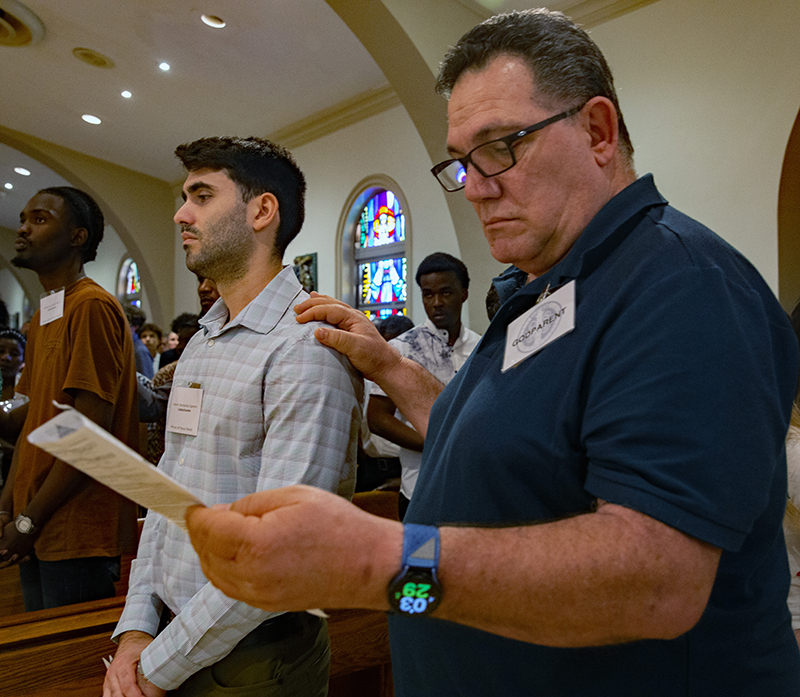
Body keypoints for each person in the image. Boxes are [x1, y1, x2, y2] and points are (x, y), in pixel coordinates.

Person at [184, 9, 800, 696]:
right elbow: (502, 447)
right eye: (460, 162)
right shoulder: (551, 284)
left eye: (501, 147)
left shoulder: (679, 283)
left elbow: (658, 581)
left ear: (597, 130)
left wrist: (375, 559)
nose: (475, 186)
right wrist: (390, 367)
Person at [104, 136, 362, 697]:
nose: (181, 214)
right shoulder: (203, 342)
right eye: (184, 196)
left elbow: (276, 554)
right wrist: (136, 631)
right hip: (175, 636)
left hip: (254, 658)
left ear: (261, 210)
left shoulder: (304, 348)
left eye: (201, 195)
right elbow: (167, 494)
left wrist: (155, 669)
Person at [0, 186, 138, 611]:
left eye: (40, 219)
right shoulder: (43, 316)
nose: (23, 229)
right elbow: (27, 424)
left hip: (77, 525)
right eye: (24, 218)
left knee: (69, 668)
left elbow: (88, 431)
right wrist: (8, 508)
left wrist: (28, 518)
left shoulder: (92, 306)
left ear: (78, 237)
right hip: (39, 521)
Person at [368, 253, 480, 518]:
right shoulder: (401, 348)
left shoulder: (481, 348)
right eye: (428, 295)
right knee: (420, 558)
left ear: (463, 293)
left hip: (470, 483)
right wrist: (436, 442)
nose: (437, 303)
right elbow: (377, 418)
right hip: (419, 485)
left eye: (446, 293)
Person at [356, 314, 413, 493]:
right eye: (386, 345)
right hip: (370, 466)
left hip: (404, 465)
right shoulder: (366, 374)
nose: (390, 352)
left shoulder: (415, 379)